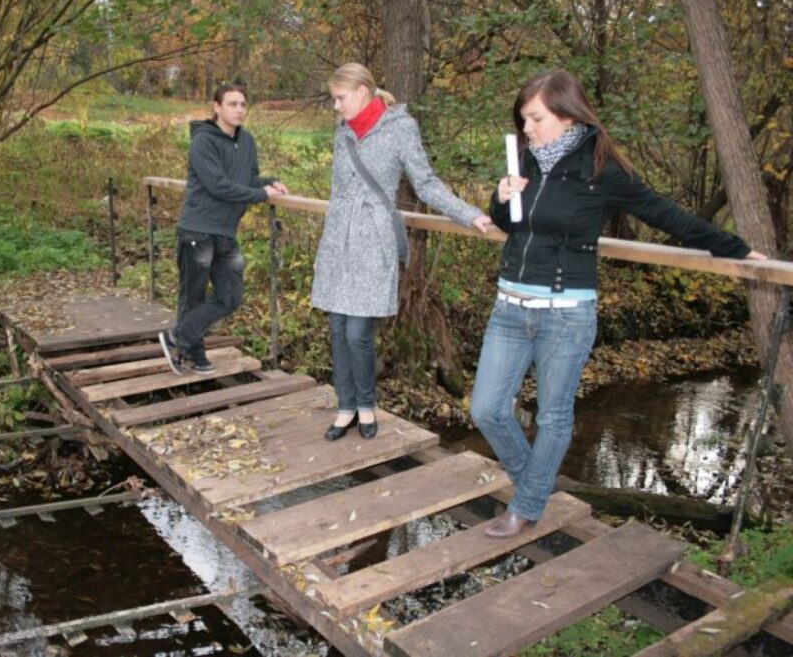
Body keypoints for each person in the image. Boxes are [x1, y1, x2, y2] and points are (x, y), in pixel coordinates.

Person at [470, 69, 767, 538]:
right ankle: (535, 486)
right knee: (486, 410)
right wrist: (501, 198)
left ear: (568, 116)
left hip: (565, 314)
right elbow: (512, 225)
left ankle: (525, 506)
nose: (526, 128)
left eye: (535, 118)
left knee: (552, 416)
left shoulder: (601, 169)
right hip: (509, 307)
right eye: (523, 119)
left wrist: (737, 250)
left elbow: (665, 214)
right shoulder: (526, 160)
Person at [311, 63, 491, 441]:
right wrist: (327, 243)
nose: (335, 106)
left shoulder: (400, 128)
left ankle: (366, 405)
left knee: (358, 332)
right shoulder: (342, 131)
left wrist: (468, 214)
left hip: (373, 241)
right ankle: (345, 407)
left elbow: (426, 183)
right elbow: (338, 191)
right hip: (338, 241)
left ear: (362, 92)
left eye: (340, 98)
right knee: (338, 328)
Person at [159, 83, 288, 375]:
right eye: (232, 104)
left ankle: (177, 337)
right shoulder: (203, 142)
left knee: (230, 296)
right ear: (216, 107)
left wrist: (269, 182)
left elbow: (248, 179)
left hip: (226, 233)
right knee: (193, 297)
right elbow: (217, 185)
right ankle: (191, 354)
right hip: (198, 230)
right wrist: (261, 194)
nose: (239, 110)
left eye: (243, 104)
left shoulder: (247, 141)